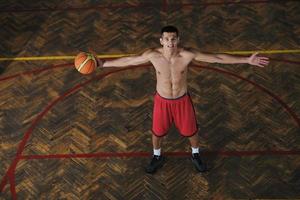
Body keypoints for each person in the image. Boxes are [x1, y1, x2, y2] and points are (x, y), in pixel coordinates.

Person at [95, 25, 269, 174]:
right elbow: (129, 61)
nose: (170, 42)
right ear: (161, 41)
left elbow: (217, 58)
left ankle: (195, 154)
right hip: (162, 101)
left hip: (182, 101)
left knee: (191, 132)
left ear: (178, 40)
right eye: (167, 39)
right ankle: (157, 156)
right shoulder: (152, 55)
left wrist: (247, 60)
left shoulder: (187, 55)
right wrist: (104, 64)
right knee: (157, 132)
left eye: (173, 39)